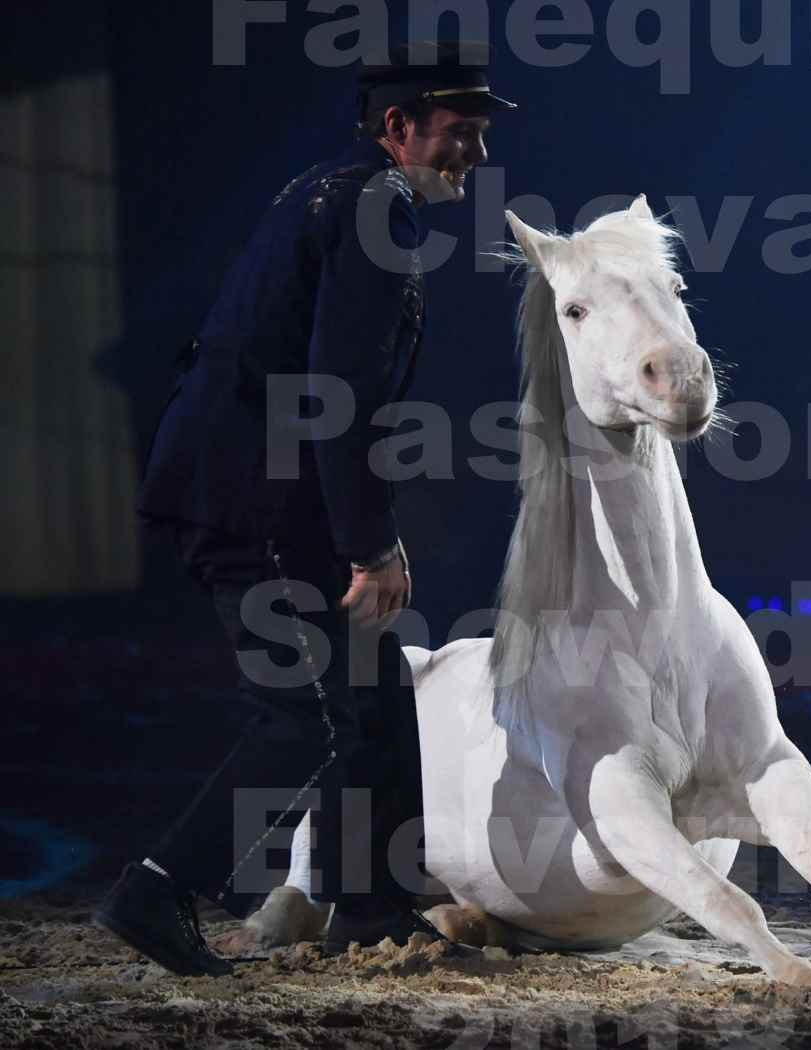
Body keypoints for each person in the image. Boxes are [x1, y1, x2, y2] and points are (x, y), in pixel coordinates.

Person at [94, 40, 517, 977]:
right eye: (460, 133)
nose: (475, 157)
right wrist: (372, 546)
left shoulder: (339, 192)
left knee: (375, 689)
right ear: (396, 126)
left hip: (273, 486)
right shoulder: (373, 207)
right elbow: (337, 395)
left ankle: (371, 904)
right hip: (250, 495)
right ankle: (158, 887)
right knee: (306, 715)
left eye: (482, 136)